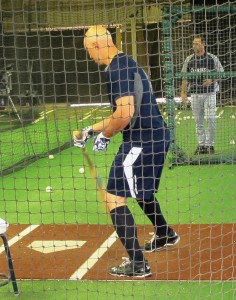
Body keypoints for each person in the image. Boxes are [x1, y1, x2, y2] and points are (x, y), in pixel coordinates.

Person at [73, 26, 180, 278]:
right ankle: (165, 233)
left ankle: (138, 264)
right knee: (141, 191)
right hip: (155, 136)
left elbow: (124, 114)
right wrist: (90, 130)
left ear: (98, 45)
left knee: (113, 198)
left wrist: (105, 136)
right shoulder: (126, 62)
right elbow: (121, 112)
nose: (90, 56)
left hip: (141, 141)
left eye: (89, 50)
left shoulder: (117, 70)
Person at [181, 35, 224, 155]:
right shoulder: (189, 59)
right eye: (193, 43)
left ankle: (210, 145)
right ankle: (201, 145)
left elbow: (221, 73)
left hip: (210, 93)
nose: (194, 45)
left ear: (203, 44)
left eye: (197, 43)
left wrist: (212, 79)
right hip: (195, 94)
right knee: (198, 120)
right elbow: (184, 77)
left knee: (210, 119)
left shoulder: (212, 58)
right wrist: (183, 92)